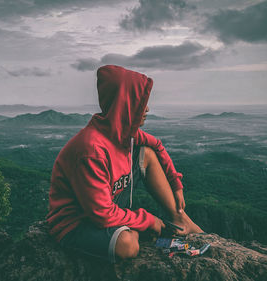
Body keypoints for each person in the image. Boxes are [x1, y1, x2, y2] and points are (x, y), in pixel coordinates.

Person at [46, 65, 202, 263]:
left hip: (105, 208)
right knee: (127, 245)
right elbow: (102, 215)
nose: (147, 109)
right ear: (125, 104)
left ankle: (178, 218)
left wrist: (176, 183)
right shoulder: (91, 151)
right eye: (141, 103)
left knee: (147, 153)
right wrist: (149, 221)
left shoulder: (123, 134)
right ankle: (135, 231)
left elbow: (157, 146)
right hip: (77, 223)